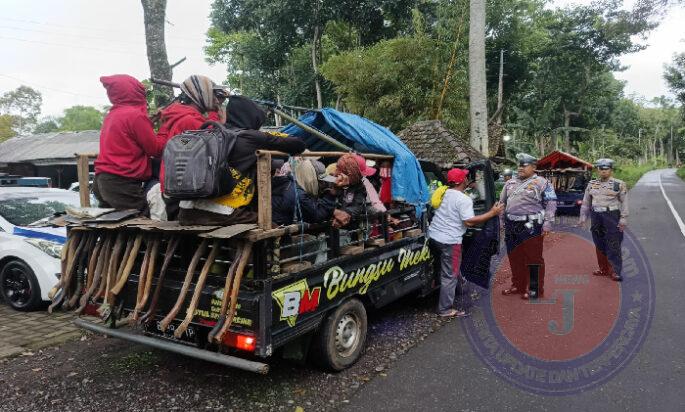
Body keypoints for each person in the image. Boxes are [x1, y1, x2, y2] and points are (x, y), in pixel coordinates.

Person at [177, 95, 306, 225]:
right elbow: (298, 144)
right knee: (272, 225)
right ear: (252, 118)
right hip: (218, 212)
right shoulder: (250, 136)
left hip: (185, 209)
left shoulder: (213, 133)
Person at [428, 168, 504, 317]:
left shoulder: (443, 193)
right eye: (466, 177)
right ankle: (445, 309)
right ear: (463, 181)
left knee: (445, 267)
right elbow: (469, 222)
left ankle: (457, 286)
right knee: (450, 274)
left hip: (434, 236)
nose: (467, 179)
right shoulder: (463, 199)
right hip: (450, 241)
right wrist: (492, 213)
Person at [154, 75, 227, 219]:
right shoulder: (190, 120)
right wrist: (218, 118)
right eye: (212, 94)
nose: (215, 100)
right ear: (201, 94)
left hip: (174, 187)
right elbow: (211, 143)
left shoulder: (180, 115)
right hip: (183, 190)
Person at [93, 74, 165, 212]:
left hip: (102, 181)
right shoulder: (136, 116)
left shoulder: (112, 115)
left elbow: (129, 135)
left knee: (113, 227)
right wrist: (163, 128)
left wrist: (148, 123)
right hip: (120, 183)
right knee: (143, 222)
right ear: (134, 91)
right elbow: (155, 149)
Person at [500, 153, 557, 299]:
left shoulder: (542, 183)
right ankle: (518, 285)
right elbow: (502, 203)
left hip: (531, 225)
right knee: (515, 256)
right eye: (519, 165)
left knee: (533, 258)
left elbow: (551, 203)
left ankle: (535, 289)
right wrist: (501, 221)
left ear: (533, 167)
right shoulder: (510, 183)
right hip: (512, 224)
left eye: (524, 165)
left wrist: (548, 223)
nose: (520, 168)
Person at [578, 158, 628, 281]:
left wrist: (623, 218)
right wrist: (583, 216)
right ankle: (603, 268)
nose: (603, 171)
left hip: (612, 215)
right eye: (601, 169)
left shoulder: (619, 184)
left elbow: (625, 202)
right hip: (596, 216)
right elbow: (586, 202)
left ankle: (615, 271)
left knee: (613, 243)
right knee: (599, 242)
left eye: (606, 169)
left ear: (611, 170)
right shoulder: (592, 184)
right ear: (598, 170)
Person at [271, 161, 336, 226]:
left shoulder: (292, 184)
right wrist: (331, 196)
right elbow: (317, 216)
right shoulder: (298, 194)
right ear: (310, 179)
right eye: (320, 182)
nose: (322, 185)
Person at [330, 153, 371, 229]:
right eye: (360, 174)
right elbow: (321, 205)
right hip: (328, 226)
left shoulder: (359, 186)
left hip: (348, 225)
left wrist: (345, 214)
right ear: (350, 174)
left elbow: (358, 205)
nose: (362, 177)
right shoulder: (328, 181)